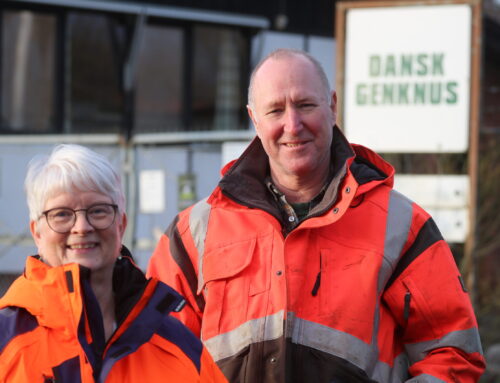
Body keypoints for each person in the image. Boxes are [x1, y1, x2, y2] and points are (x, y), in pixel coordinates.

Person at [147, 49, 486, 382]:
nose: (292, 125)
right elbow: (156, 357)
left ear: (332, 107)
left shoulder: (400, 226)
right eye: (275, 110)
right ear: (254, 119)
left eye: (305, 105)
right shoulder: (195, 232)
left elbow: (454, 354)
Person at [0, 144, 227, 383]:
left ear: (121, 225)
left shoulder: (177, 346)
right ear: (37, 233)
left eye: (98, 211)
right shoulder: (7, 341)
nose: (82, 227)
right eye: (62, 214)